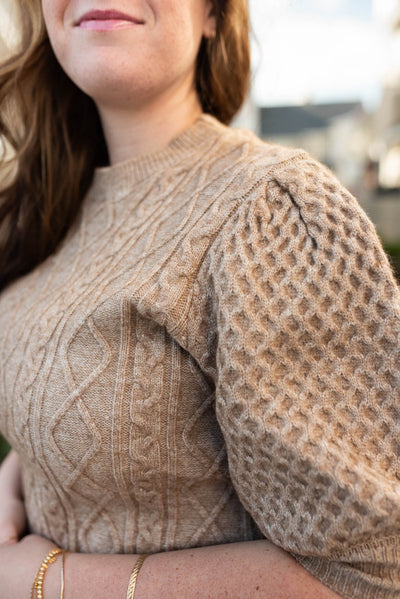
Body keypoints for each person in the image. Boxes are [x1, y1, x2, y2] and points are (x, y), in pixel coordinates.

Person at [0, 0, 399, 597]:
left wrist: (47, 580)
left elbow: (368, 572)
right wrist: (22, 470)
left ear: (213, 14)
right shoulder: (48, 205)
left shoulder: (269, 208)